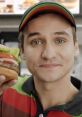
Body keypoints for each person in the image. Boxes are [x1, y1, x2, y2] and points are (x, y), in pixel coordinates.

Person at [0, 1, 82, 117]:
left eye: (60, 41)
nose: (48, 54)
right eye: (36, 42)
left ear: (75, 47)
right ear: (22, 50)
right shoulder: (5, 91)